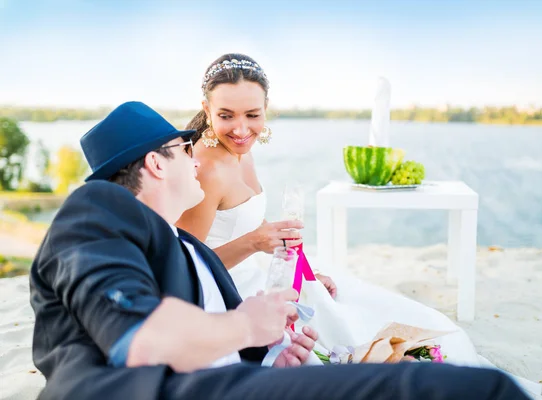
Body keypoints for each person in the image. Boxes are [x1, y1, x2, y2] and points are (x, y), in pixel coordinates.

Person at [28, 101, 529, 400]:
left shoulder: (190, 251)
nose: (198, 164)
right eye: (184, 151)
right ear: (156, 165)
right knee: (478, 392)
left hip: (229, 385)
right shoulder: (97, 209)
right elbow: (142, 342)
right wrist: (246, 324)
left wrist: (268, 361)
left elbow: (214, 345)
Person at [175, 53, 487, 361]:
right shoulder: (205, 170)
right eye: (226, 115)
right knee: (349, 333)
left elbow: (246, 221)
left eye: (252, 115)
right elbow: (187, 268)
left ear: (266, 109)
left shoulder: (240, 151)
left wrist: (305, 272)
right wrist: (255, 242)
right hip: (234, 294)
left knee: (395, 314)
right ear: (207, 109)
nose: (242, 130)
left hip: (265, 275)